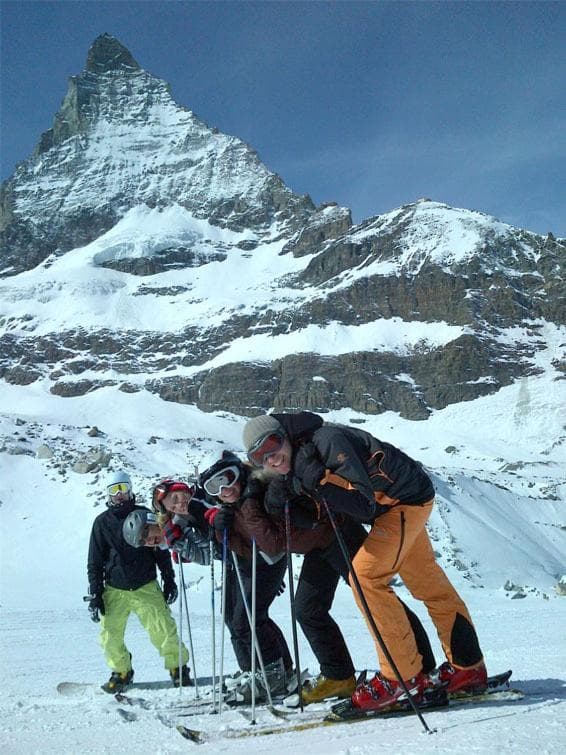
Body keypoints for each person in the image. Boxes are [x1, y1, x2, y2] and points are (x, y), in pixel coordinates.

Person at [242, 412, 487, 712]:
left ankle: (401, 678)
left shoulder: (327, 441)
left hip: (403, 502)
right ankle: (467, 668)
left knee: (365, 577)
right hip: (393, 508)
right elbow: (328, 507)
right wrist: (294, 497)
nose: (271, 458)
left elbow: (362, 503)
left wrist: (318, 480)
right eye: (259, 456)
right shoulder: (299, 460)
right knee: (428, 585)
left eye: (272, 444)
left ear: (284, 435)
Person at [155, 458, 293, 704]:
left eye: (178, 496)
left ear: (185, 489)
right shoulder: (182, 520)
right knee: (233, 617)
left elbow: (229, 517)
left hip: (259, 559)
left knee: (248, 619)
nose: (179, 503)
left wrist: (214, 523)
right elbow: (207, 555)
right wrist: (181, 544)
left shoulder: (206, 497)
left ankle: (273, 673)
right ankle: (254, 670)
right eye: (172, 504)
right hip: (237, 562)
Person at [86, 470, 191, 693]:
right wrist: (96, 593)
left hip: (145, 585)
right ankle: (121, 672)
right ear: (108, 494)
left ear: (130, 489)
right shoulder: (102, 523)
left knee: (163, 629)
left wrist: (169, 579)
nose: (119, 494)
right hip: (115, 588)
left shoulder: (145, 515)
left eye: (123, 488)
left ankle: (178, 668)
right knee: (109, 635)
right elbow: (94, 561)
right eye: (114, 490)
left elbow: (160, 548)